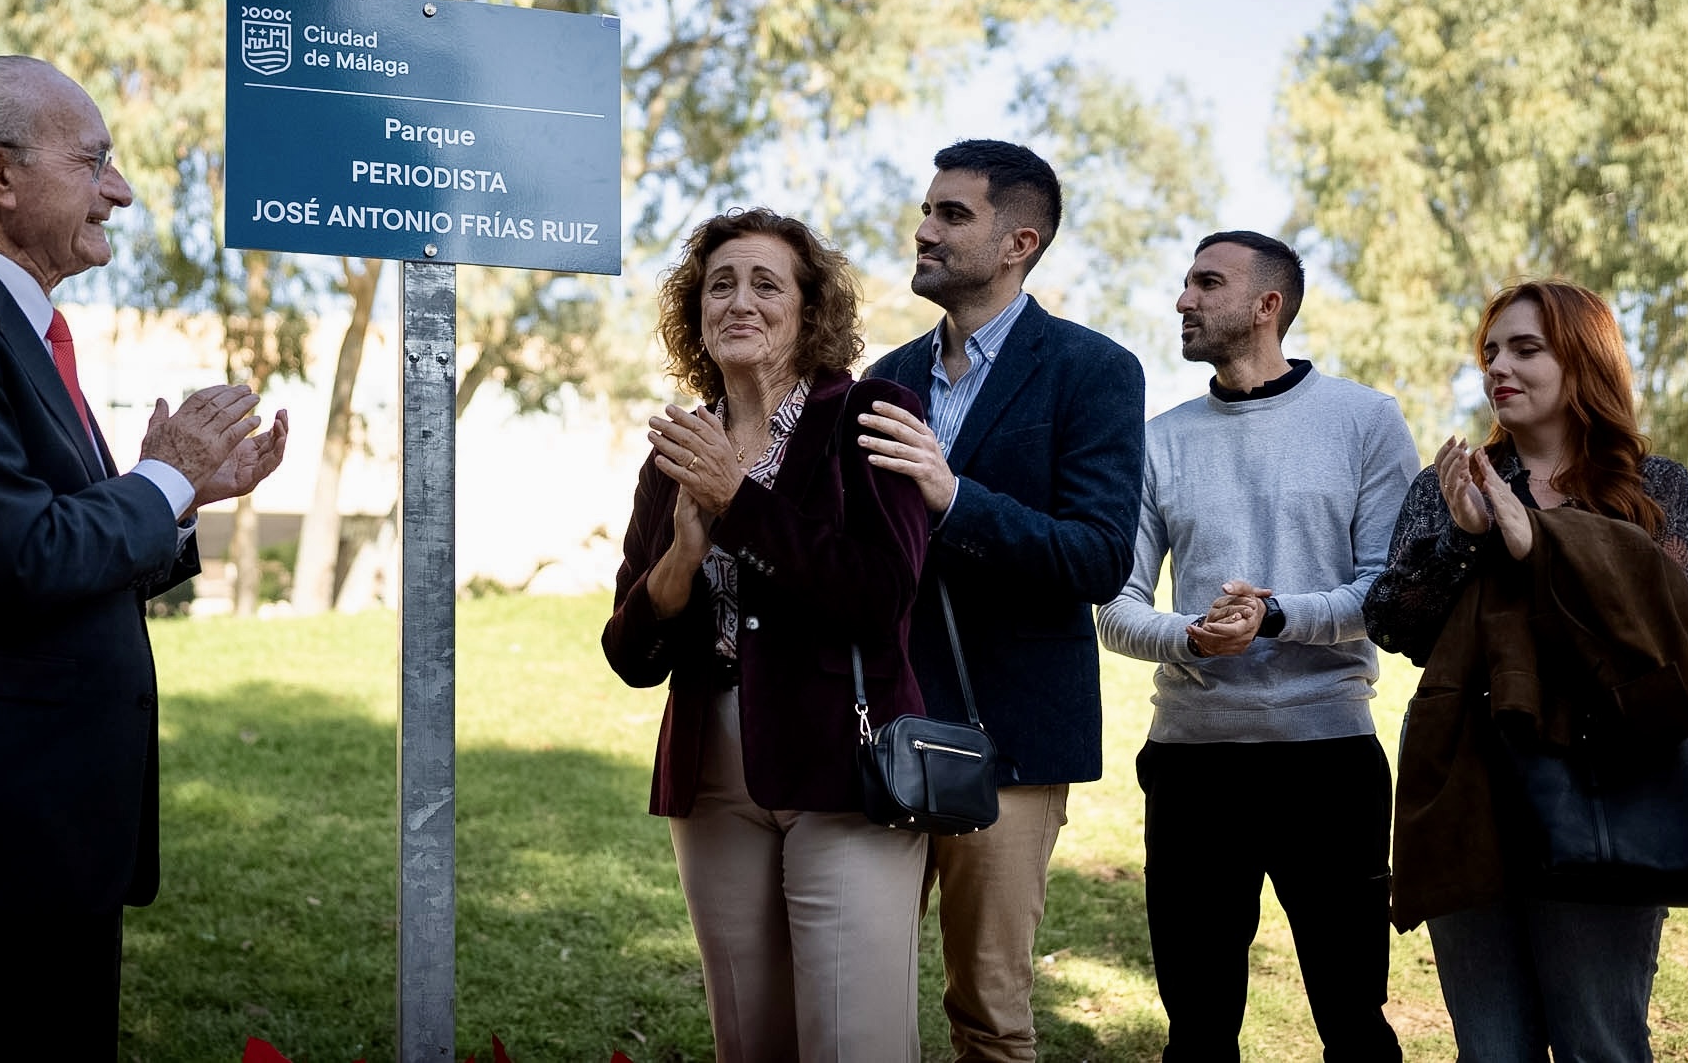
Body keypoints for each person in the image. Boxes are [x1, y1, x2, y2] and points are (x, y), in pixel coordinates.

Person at [0, 55, 290, 1059]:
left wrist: (187, 496)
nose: (118, 190)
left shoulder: (21, 328)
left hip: (44, 819)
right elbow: (24, 554)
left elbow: (78, 545)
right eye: (96, 161)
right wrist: (163, 479)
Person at [602, 207, 933, 1063]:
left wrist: (735, 501)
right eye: (719, 285)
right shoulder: (678, 445)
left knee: (850, 1038)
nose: (739, 301)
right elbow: (628, 654)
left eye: (765, 283)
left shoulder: (870, 414)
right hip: (709, 772)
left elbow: (880, 592)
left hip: (845, 766)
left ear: (808, 308)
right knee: (746, 1038)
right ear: (696, 313)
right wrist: (677, 564)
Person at [1365, 279, 1688, 1063]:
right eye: (1490, 351)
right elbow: (1392, 621)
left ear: (1582, 359)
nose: (1498, 367)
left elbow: (1680, 628)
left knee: (1601, 1043)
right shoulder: (1449, 485)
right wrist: (1461, 536)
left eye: (1526, 348)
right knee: (1491, 1051)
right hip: (1471, 793)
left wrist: (1543, 541)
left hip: (1610, 792)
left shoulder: (1655, 490)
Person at [856, 139, 1144, 1063]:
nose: (924, 228)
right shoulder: (882, 379)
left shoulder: (1093, 370)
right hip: (878, 731)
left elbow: (1099, 558)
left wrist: (953, 498)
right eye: (927, 210)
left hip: (1009, 743)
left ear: (1018, 241)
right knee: (852, 985)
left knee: (987, 1007)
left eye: (952, 214)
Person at [1097, 230, 1416, 1063]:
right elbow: (1117, 606)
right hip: (1193, 767)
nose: (1183, 300)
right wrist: (1192, 636)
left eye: (1207, 283)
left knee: (1353, 1018)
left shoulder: (1366, 420)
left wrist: (1277, 617)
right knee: (1197, 1028)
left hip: (1329, 761)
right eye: (1186, 282)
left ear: (1267, 305)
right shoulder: (1158, 439)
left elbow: (1387, 593)